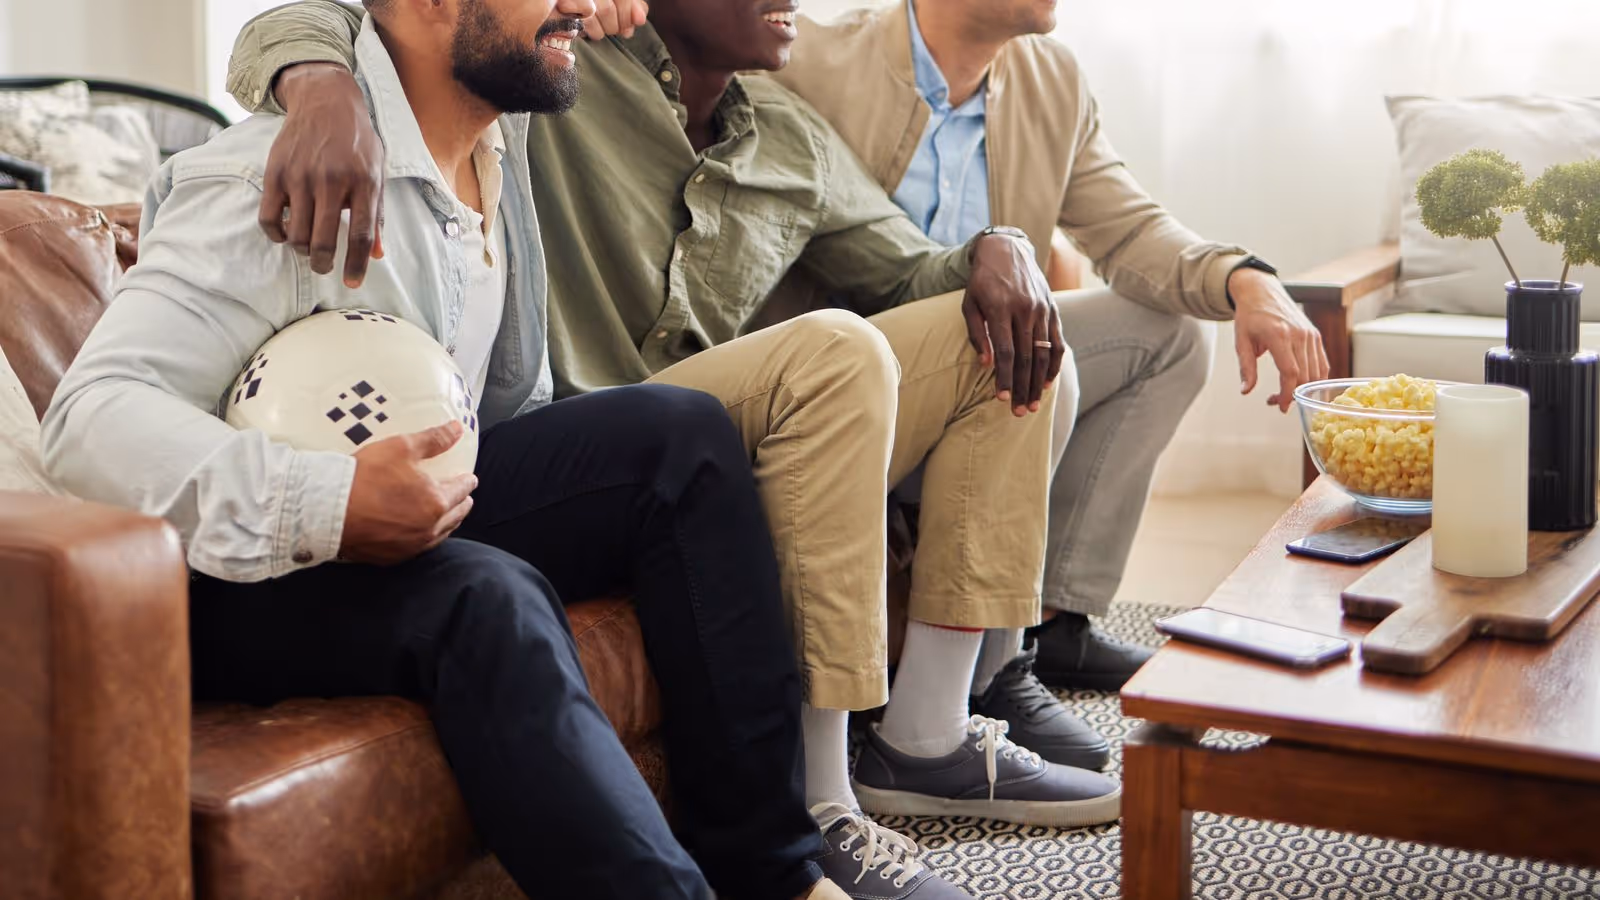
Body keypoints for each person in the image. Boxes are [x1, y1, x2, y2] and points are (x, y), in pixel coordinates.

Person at [223, 1, 1123, 897]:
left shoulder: (791, 137)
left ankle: (924, 738)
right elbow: (345, 17)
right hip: (572, 442)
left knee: (1005, 336)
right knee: (835, 348)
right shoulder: (562, 69)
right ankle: (818, 805)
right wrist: (320, 90)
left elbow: (917, 270)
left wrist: (1001, 246)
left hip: (705, 437)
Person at [40, 1, 854, 898]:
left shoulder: (502, 154)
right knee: (484, 595)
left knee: (681, 438)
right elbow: (92, 415)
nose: (579, 4)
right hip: (233, 575)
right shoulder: (267, 182)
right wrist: (329, 501)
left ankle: (776, 875)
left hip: (414, 495)